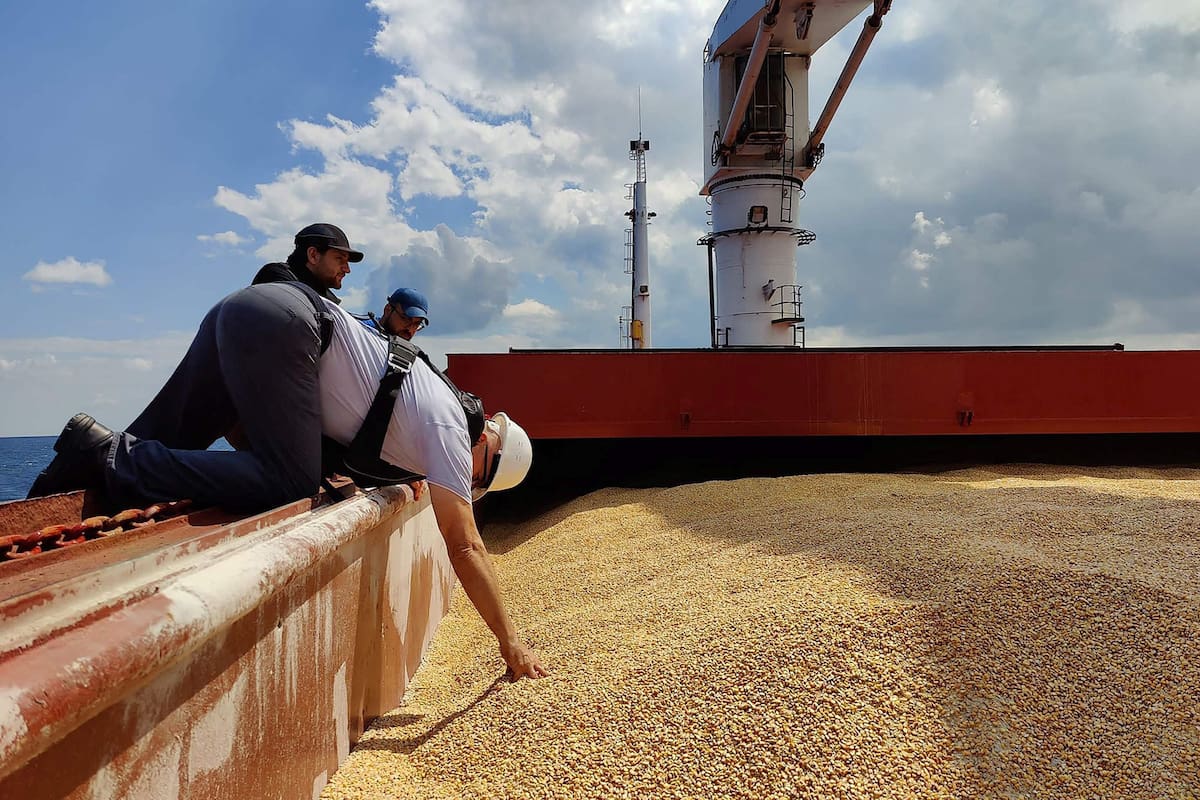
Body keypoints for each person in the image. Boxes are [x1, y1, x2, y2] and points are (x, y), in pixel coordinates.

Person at [27, 280, 546, 679]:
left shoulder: (432, 399)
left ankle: (76, 473)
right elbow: (467, 546)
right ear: (487, 452)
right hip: (289, 327)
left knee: (172, 435)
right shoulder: (453, 432)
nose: (465, 486)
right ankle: (104, 450)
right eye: (477, 482)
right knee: (288, 482)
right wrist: (510, 642)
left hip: (253, 308)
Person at [252, 223, 363, 303]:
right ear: (313, 255)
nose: (347, 270)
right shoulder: (276, 278)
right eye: (339, 259)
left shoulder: (323, 295)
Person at [361, 287, 429, 341]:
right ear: (388, 309)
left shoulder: (407, 353)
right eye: (405, 319)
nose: (410, 330)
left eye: (417, 323)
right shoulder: (360, 332)